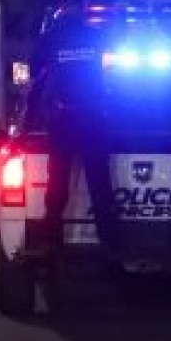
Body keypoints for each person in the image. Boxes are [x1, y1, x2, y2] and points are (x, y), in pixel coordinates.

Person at [29, 14, 120, 253]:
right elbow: (115, 62)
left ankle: (51, 238)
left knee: (58, 180)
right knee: (99, 182)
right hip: (91, 117)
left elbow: (34, 70)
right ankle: (110, 241)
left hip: (64, 117)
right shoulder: (96, 35)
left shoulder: (51, 37)